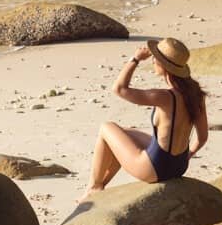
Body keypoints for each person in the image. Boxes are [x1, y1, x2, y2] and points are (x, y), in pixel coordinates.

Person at [80, 37, 208, 202]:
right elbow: (203, 137)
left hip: (155, 169)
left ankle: (94, 187)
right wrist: (188, 155)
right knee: (124, 133)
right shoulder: (196, 95)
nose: (153, 60)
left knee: (107, 127)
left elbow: (119, 89)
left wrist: (135, 59)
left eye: (156, 58)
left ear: (164, 66)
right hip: (179, 166)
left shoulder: (164, 97)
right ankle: (100, 184)